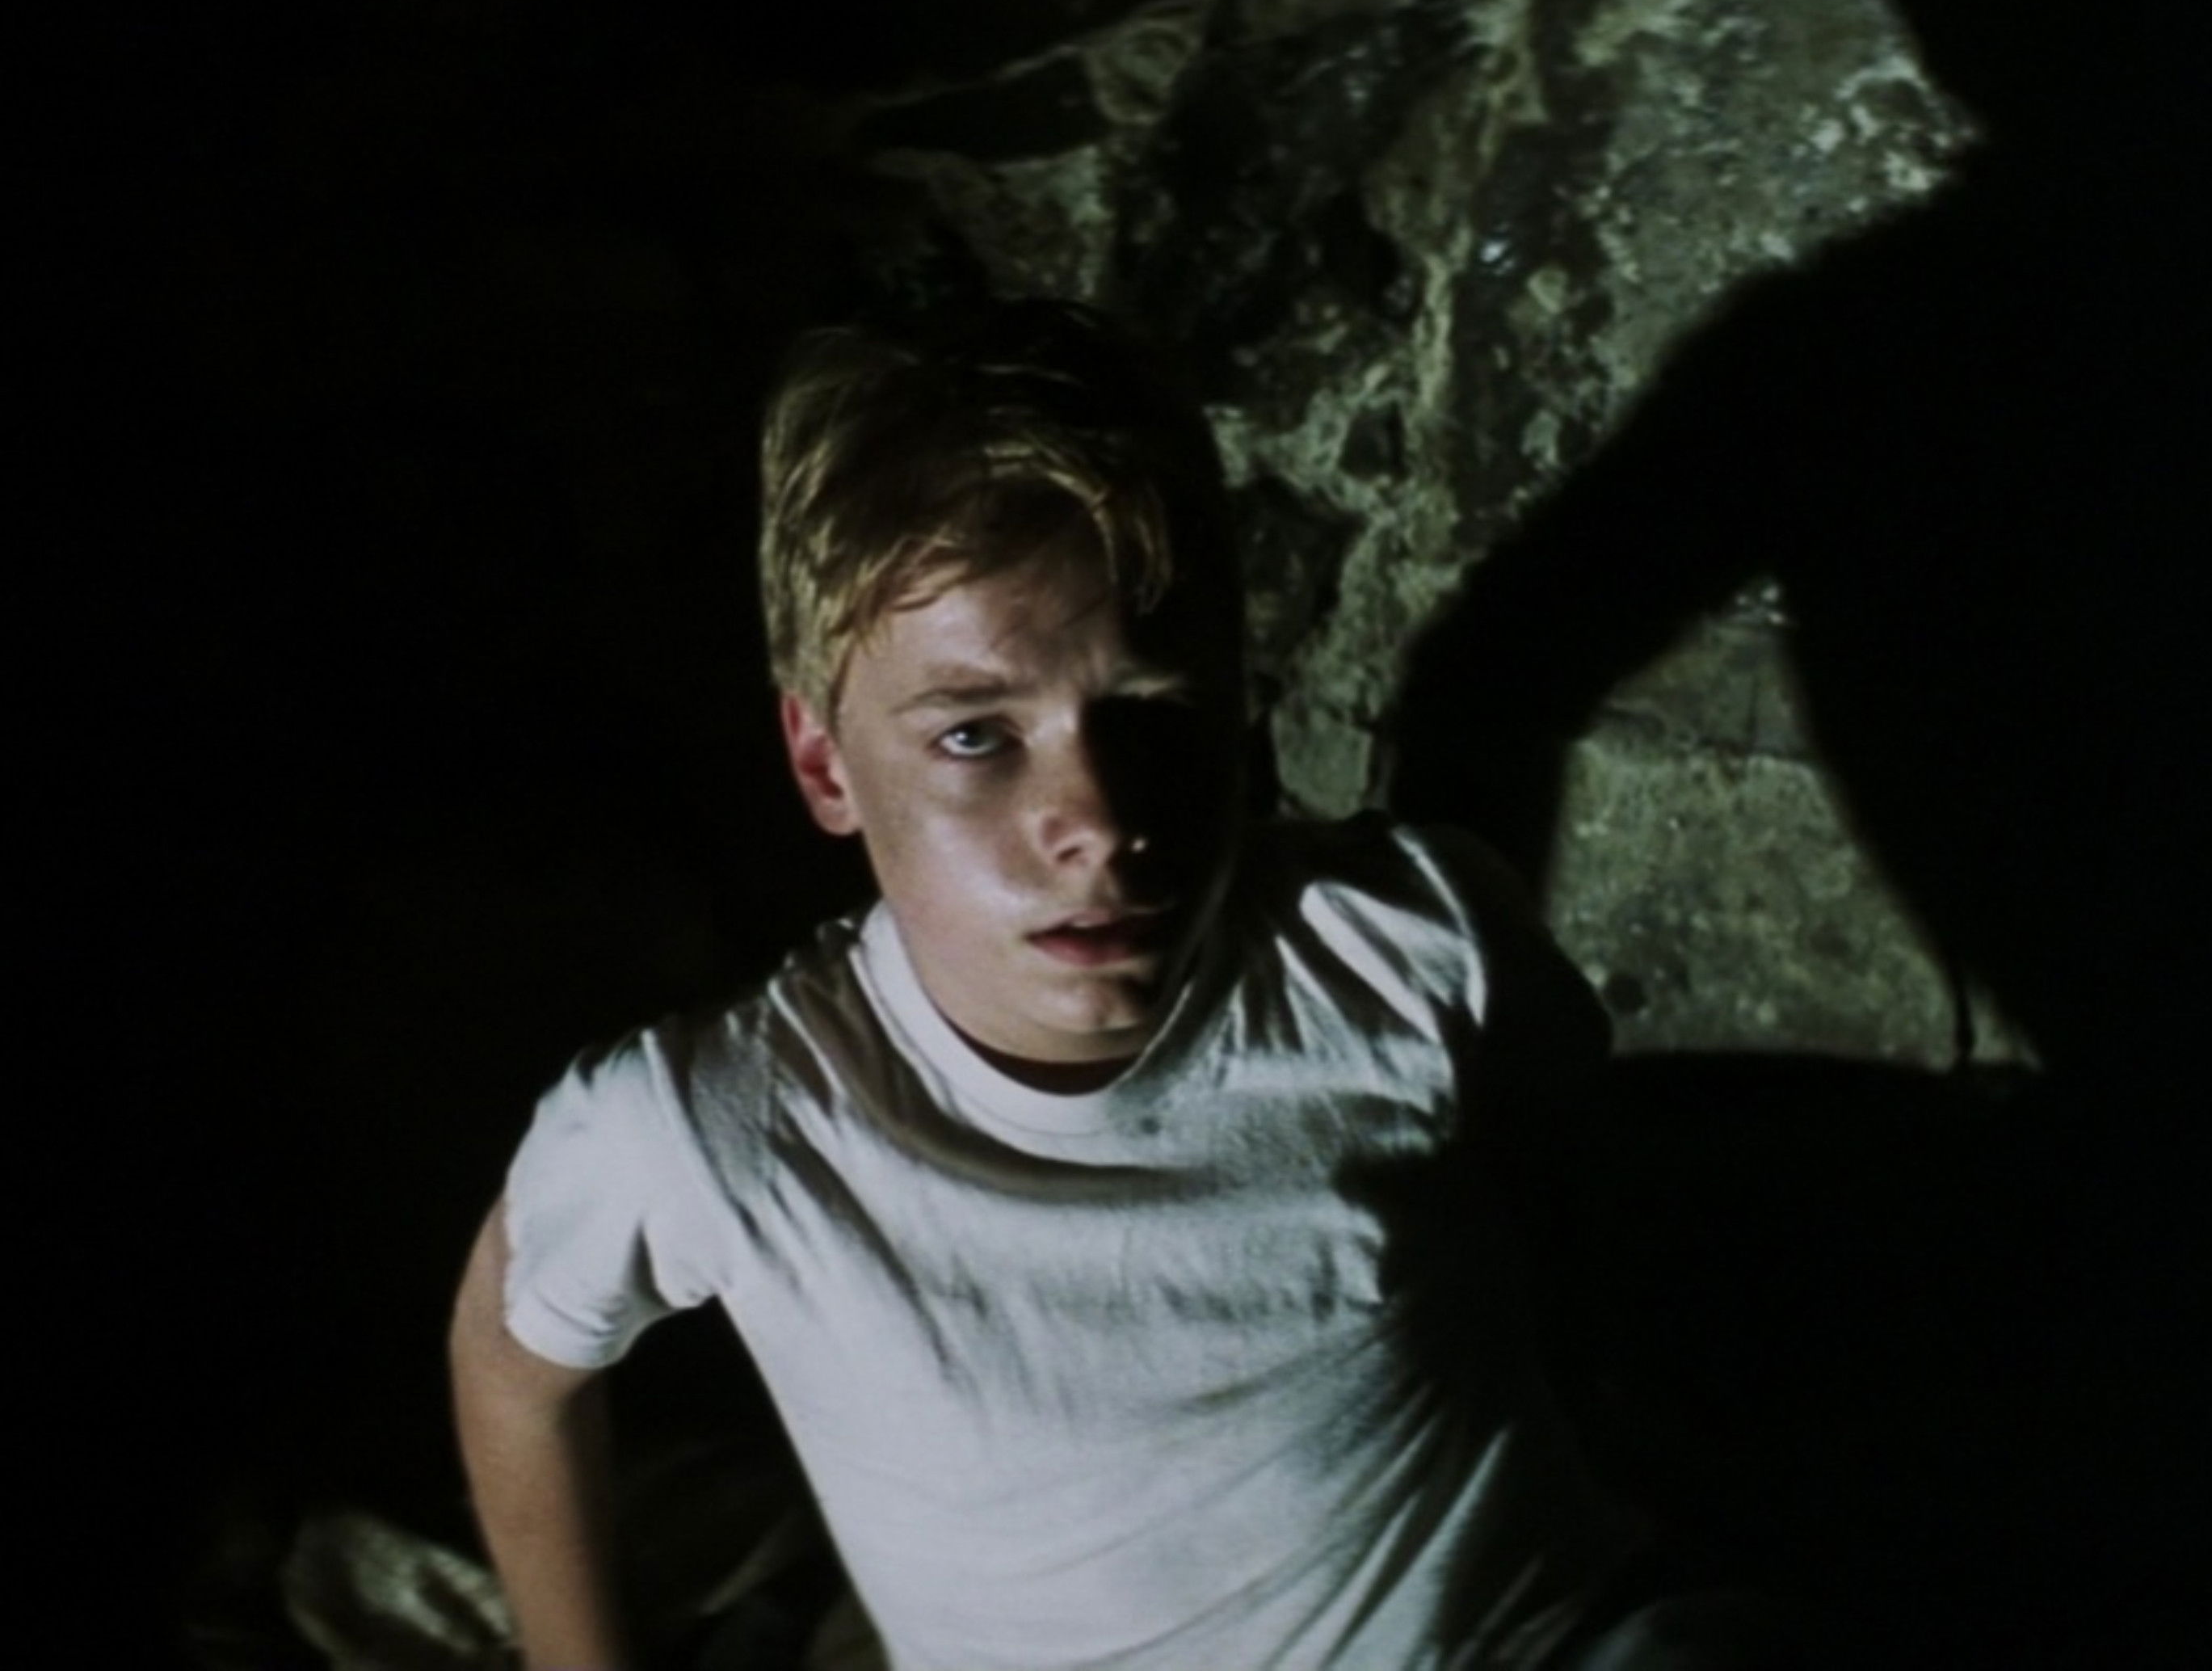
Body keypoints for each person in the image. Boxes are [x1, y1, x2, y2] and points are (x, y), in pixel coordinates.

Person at [447, 300, 1720, 1669]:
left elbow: (1572, 1199)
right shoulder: (718, 1131)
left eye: (1150, 710)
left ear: (1238, 701)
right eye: (977, 736)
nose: (1100, 822)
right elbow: (511, 1367)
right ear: (825, 764)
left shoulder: (1411, 947)